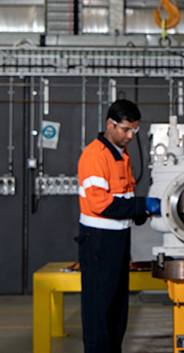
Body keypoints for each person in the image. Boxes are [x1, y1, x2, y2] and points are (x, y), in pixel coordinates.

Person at [76, 99, 161, 353]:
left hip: (119, 238)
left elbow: (122, 195)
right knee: (98, 309)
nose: (130, 135)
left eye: (134, 130)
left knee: (116, 308)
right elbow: (101, 204)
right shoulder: (95, 156)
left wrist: (140, 212)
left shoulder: (121, 154)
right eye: (126, 129)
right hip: (99, 239)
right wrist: (142, 206)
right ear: (109, 124)